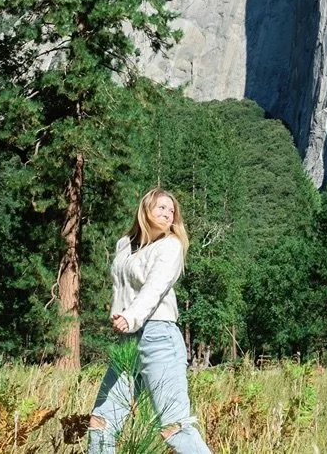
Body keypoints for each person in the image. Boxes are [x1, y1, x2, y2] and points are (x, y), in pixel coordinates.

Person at [87, 187, 212, 454]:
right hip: (128, 341)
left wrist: (130, 316)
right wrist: (119, 313)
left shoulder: (170, 246)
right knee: (100, 423)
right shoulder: (124, 244)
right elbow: (120, 286)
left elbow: (154, 288)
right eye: (162, 207)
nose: (168, 214)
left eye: (172, 210)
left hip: (159, 338)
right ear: (146, 209)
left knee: (174, 428)